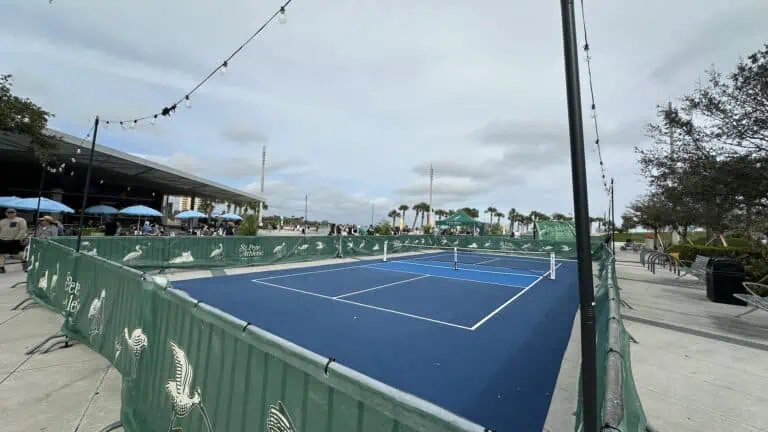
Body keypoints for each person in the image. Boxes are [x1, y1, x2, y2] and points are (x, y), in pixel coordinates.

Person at [0, 208, 28, 273]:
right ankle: (1, 267)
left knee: (17, 254)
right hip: (2, 239)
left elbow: (23, 229)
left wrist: (17, 238)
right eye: (9, 213)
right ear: (6, 213)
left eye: (12, 212)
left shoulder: (20, 220)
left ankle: (25, 263)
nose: (10, 214)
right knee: (1, 254)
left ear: (15, 213)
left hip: (15, 240)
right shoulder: (2, 221)